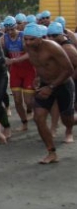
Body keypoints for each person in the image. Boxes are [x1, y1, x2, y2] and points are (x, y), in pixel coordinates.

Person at [23, 24, 75, 164]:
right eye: (26, 39)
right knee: (38, 118)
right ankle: (51, 153)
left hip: (63, 85)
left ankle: (69, 127)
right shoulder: (28, 47)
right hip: (45, 85)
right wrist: (38, 78)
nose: (28, 42)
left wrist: (51, 87)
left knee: (68, 120)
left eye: (31, 39)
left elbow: (69, 69)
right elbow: (39, 65)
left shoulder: (52, 47)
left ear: (40, 38)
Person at [1, 16, 36, 131]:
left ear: (16, 26)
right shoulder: (3, 39)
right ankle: (24, 122)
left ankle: (32, 110)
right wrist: (5, 58)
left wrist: (16, 60)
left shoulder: (23, 37)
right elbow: (0, 53)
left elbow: (30, 53)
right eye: (8, 30)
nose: (10, 32)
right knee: (17, 100)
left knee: (28, 101)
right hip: (15, 70)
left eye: (12, 29)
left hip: (28, 69)